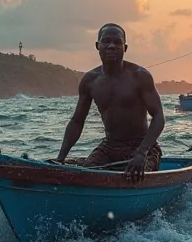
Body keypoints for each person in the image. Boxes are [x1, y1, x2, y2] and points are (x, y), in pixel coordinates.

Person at [56, 23, 165, 182]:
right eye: (106, 41)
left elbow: (158, 116)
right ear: (97, 46)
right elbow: (77, 121)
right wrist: (60, 159)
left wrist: (142, 153)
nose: (111, 46)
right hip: (109, 147)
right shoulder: (90, 81)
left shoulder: (140, 76)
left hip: (141, 146)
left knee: (134, 177)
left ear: (125, 48)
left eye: (117, 42)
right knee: (86, 177)